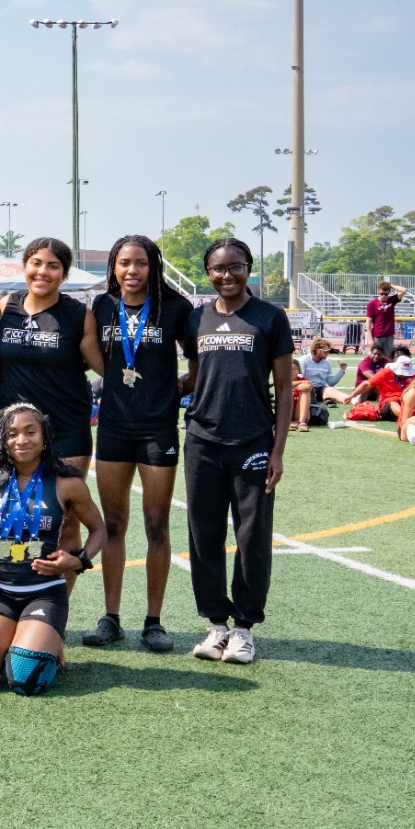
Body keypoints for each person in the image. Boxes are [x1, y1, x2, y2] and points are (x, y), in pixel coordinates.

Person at [181, 239, 294, 665]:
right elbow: (196, 375)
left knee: (251, 536)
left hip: (252, 442)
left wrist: (278, 450)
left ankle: (245, 628)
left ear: (249, 268)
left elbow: (284, 389)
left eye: (236, 267)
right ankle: (216, 624)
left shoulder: (269, 317)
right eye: (218, 269)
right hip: (202, 441)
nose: (227, 276)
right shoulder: (197, 318)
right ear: (207, 271)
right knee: (203, 533)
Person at [86, 233, 195, 653]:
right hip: (113, 425)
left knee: (155, 524)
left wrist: (176, 388)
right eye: (124, 263)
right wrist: (116, 376)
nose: (132, 271)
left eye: (141, 263)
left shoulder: (176, 308)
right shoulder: (101, 306)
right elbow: (94, 353)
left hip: (157, 428)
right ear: (113, 267)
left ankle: (154, 621)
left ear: (154, 267)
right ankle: (111, 617)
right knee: (113, 524)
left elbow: (197, 361)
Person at [0, 402, 105, 694]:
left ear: (44, 437)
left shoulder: (67, 483)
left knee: (25, 680)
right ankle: (17, 638)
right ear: (3, 439)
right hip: (0, 593)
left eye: (30, 432)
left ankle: (46, 636)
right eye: (12, 433)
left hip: (44, 594)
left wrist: (78, 561)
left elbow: (99, 529)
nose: (21, 440)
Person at [0, 237, 104, 464]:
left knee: (66, 498)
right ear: (25, 266)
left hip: (66, 429)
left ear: (64, 274)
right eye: (36, 263)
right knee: (10, 499)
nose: (42, 272)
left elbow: (105, 368)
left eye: (53, 266)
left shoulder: (79, 315)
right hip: (16, 431)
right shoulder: (6, 306)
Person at [292, 337, 346, 430]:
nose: (327, 353)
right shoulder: (303, 360)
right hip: (306, 388)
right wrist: (305, 383)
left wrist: (342, 370)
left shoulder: (326, 363)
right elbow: (299, 378)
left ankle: (354, 401)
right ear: (317, 350)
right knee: (306, 387)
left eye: (329, 351)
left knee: (331, 390)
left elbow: (330, 382)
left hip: (320, 388)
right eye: (325, 351)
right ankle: (298, 421)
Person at [365, 280, 406, 357]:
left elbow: (404, 290)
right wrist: (370, 339)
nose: (384, 296)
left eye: (386, 294)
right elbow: (368, 323)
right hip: (377, 336)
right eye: (381, 293)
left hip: (389, 335)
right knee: (376, 356)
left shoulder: (392, 300)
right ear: (378, 291)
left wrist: (390, 285)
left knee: (388, 357)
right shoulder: (372, 304)